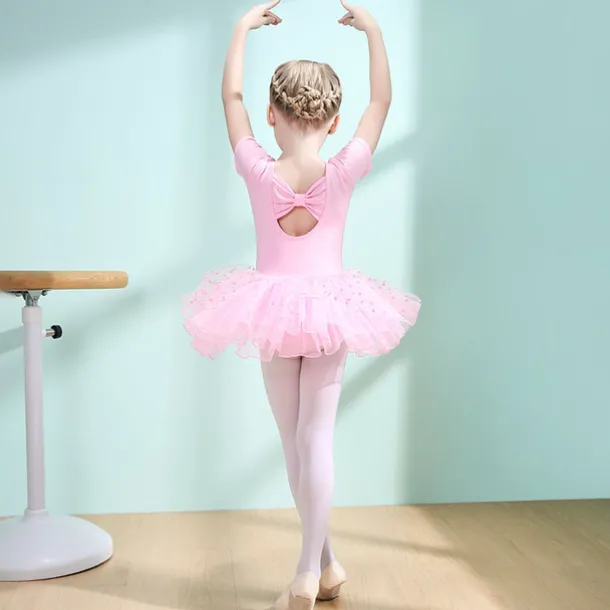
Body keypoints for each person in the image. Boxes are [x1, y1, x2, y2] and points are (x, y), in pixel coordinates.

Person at [182, 1, 421, 608]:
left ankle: (307, 573)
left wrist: (241, 28)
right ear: (335, 121)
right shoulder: (345, 169)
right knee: (315, 440)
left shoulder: (255, 168)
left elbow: (229, 98)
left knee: (294, 443)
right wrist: (374, 31)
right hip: (331, 311)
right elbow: (381, 102)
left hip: (270, 311)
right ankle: (326, 563)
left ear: (272, 113)